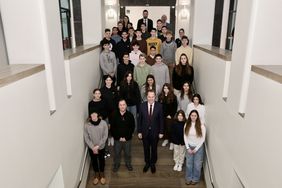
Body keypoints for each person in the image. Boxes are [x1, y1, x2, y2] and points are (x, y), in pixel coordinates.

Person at [138, 90, 164, 173]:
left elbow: (161, 120)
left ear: (155, 97)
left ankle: (152, 163)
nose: (151, 98)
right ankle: (147, 163)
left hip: (155, 132)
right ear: (147, 97)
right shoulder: (142, 106)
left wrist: (161, 132)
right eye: (149, 96)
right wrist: (139, 131)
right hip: (145, 132)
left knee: (154, 149)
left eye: (152, 97)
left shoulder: (159, 106)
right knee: (146, 149)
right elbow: (139, 120)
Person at [110, 99, 135, 172]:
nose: (122, 106)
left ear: (126, 105)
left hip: (127, 139)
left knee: (127, 153)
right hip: (117, 140)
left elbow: (132, 127)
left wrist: (126, 137)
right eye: (120, 105)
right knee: (117, 153)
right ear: (118, 106)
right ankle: (116, 164)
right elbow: (112, 128)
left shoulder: (130, 115)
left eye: (124, 104)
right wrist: (118, 137)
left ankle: (128, 163)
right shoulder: (114, 115)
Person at [84, 111, 108, 185]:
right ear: (90, 116)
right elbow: (86, 137)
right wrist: (93, 147)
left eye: (95, 114)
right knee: (94, 161)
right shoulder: (87, 125)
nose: (94, 115)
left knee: (101, 160)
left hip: (101, 146)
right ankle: (96, 174)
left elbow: (105, 136)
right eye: (92, 114)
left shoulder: (103, 123)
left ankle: (102, 173)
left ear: (98, 114)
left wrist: (98, 146)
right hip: (92, 148)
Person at [184, 110, 206, 185]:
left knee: (197, 165)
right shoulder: (187, 124)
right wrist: (187, 147)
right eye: (192, 115)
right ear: (190, 116)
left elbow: (203, 139)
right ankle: (188, 178)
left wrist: (196, 149)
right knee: (188, 164)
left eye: (195, 116)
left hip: (198, 148)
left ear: (197, 117)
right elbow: (185, 136)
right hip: (189, 147)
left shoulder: (201, 126)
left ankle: (195, 179)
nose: (193, 117)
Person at [100, 75, 118, 148]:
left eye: (110, 80)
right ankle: (108, 138)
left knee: (113, 125)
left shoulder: (114, 89)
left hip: (114, 111)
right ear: (105, 81)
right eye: (107, 80)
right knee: (107, 126)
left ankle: (112, 137)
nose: (108, 81)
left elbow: (117, 100)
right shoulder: (102, 90)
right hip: (105, 112)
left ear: (112, 81)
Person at [158, 83, 177, 150]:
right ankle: (166, 139)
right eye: (164, 88)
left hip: (170, 116)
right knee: (164, 128)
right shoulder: (161, 96)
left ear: (169, 89)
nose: (166, 90)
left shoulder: (173, 97)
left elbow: (175, 107)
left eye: (167, 88)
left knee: (170, 129)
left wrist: (171, 115)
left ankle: (171, 142)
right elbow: (159, 106)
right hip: (162, 115)